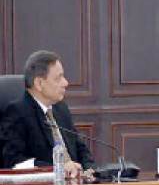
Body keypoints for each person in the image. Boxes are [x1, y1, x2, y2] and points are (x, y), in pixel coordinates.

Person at [1, 50, 94, 178]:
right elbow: (14, 161)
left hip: (75, 183)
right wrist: (57, 168)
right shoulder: (17, 112)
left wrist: (89, 169)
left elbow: (80, 147)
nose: (65, 83)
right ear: (39, 83)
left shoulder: (60, 108)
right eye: (58, 78)